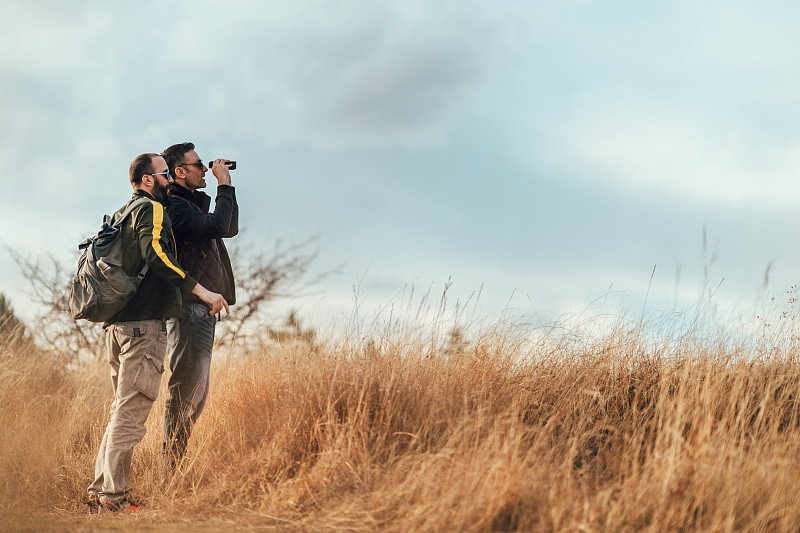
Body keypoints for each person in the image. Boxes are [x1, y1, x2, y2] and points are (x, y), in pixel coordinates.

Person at [87, 153, 228, 513]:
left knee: (120, 411)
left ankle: (100, 491)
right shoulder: (151, 210)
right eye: (165, 175)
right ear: (148, 180)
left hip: (117, 326)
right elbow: (158, 256)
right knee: (132, 416)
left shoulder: (122, 212)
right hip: (141, 328)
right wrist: (201, 289)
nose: (170, 181)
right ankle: (113, 500)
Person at [160, 142, 238, 470]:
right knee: (184, 394)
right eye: (198, 164)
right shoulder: (176, 205)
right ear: (180, 171)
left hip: (201, 311)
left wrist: (225, 189)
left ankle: (173, 472)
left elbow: (228, 227)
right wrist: (223, 184)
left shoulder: (190, 204)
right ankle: (169, 477)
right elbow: (220, 226)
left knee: (196, 397)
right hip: (189, 309)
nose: (204, 169)